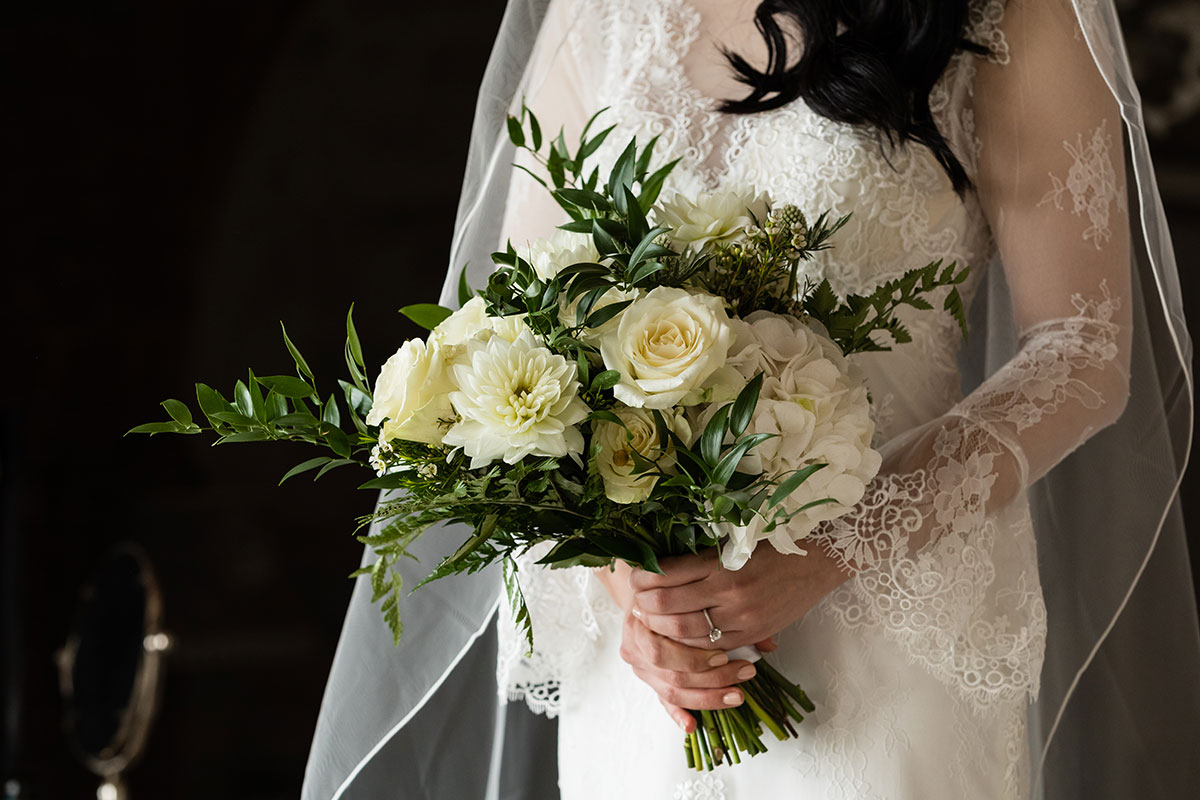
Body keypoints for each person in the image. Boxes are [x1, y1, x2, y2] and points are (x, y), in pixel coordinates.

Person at [303, 1, 1200, 798]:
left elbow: (1081, 348)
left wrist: (837, 545)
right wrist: (631, 578)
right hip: (654, 666)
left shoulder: (1005, 12)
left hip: (890, 627)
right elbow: (523, 324)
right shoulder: (599, 15)